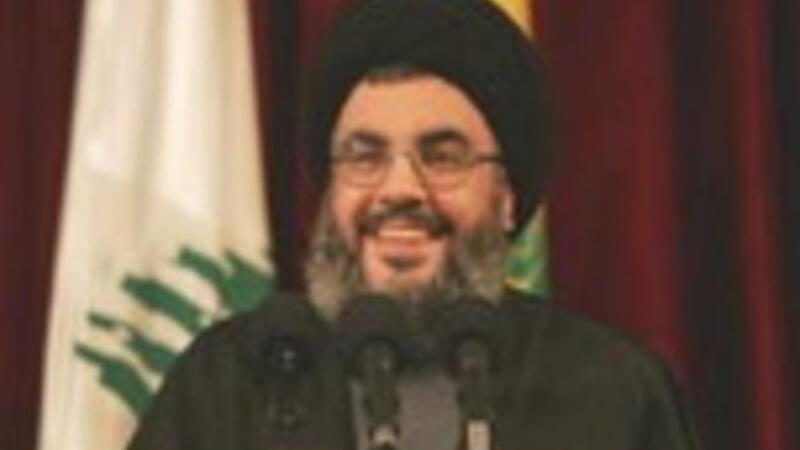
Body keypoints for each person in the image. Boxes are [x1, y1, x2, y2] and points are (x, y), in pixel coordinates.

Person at [128, 0, 703, 449]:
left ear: (507, 198)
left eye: (443, 157)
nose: (399, 189)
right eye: (365, 156)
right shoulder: (232, 381)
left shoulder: (610, 390)